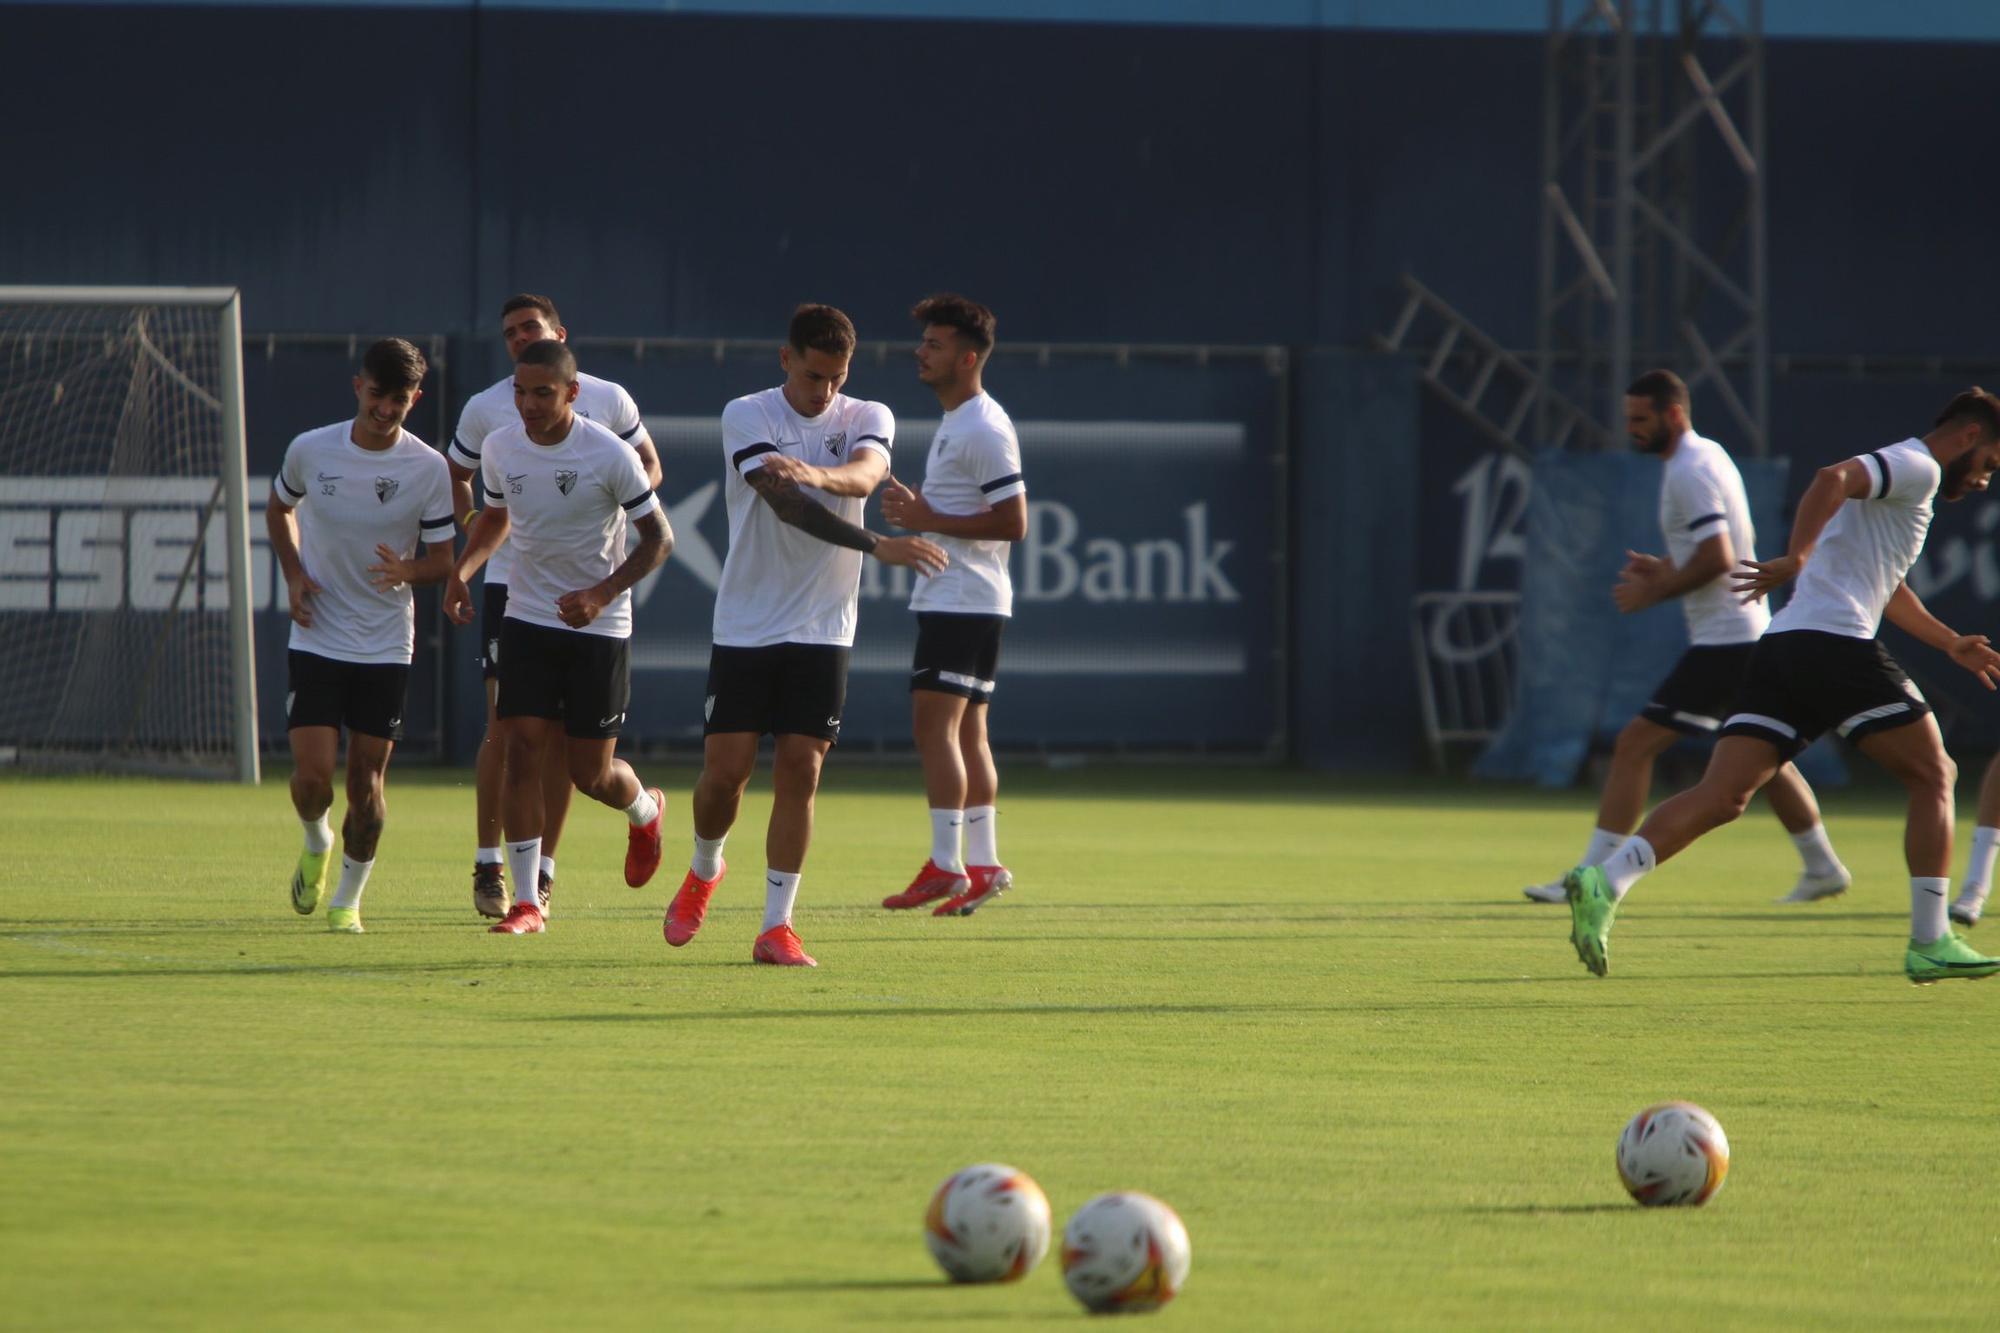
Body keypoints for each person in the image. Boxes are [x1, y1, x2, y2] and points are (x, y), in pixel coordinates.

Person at [1560, 388, 2000, 984]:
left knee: (1723, 797)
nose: (1984, 481)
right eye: (1991, 464)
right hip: (1834, 645)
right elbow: (1830, 477)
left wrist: (1949, 642)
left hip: (1784, 646)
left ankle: (1606, 879)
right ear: (1970, 437)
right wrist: (1796, 556)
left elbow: (1884, 584)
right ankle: (1930, 939)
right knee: (1935, 774)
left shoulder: (1900, 486)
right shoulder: (1918, 465)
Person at [660, 303, 948, 967]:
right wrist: (875, 542)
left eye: (836, 377)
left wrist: (818, 473)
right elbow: (784, 504)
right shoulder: (748, 413)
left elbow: (868, 474)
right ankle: (706, 867)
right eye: (814, 375)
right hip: (747, 622)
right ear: (786, 359)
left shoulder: (868, 415)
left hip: (824, 626)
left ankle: (776, 925)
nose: (825, 391)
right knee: (724, 776)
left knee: (801, 768)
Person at [1524, 370, 1848, 905]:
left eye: (1640, 419)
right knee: (1764, 759)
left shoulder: (1689, 470)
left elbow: (1719, 557)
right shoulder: (1707, 456)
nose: (1631, 429)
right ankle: (1822, 865)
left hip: (1728, 642)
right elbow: (1718, 548)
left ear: (1673, 414)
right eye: (1628, 418)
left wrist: (1659, 590)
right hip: (1745, 636)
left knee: (1634, 744)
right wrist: (1669, 567)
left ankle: (1587, 875)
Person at [443, 339, 674, 935]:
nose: (528, 404)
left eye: (542, 393)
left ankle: (645, 811)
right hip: (527, 616)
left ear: (573, 393)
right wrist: (462, 573)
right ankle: (527, 902)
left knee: (588, 775)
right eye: (520, 391)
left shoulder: (608, 454)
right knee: (519, 748)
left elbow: (659, 540)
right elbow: (495, 517)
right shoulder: (499, 447)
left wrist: (600, 593)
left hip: (599, 627)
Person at [267, 338, 456, 933]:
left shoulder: (427, 469)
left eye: (399, 400)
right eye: (377, 395)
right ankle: (316, 840)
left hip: (384, 645)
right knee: (313, 779)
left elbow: (446, 559)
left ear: (415, 399)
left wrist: (411, 571)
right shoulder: (311, 450)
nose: (385, 409)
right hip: (318, 635)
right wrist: (294, 575)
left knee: (367, 785)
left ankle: (348, 901)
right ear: (358, 386)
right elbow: (278, 509)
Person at [877, 294, 1028, 917]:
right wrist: (923, 517)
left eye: (935, 345)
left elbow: (1013, 522)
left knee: (933, 727)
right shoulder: (961, 421)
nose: (922, 351)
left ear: (967, 358)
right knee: (967, 732)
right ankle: (984, 861)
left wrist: (928, 517)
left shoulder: (982, 427)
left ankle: (946, 865)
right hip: (965, 596)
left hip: (963, 599)